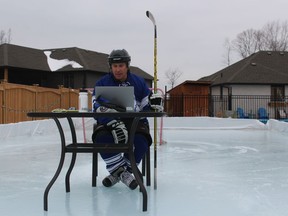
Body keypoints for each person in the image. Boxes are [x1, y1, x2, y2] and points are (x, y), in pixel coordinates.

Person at [91, 49, 163, 190]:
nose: (118, 70)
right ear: (110, 67)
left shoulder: (139, 82)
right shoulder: (102, 83)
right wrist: (109, 121)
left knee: (141, 141)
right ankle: (125, 173)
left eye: (121, 66)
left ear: (127, 65)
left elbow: (146, 107)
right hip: (109, 123)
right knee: (101, 138)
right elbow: (96, 107)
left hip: (135, 122)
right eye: (115, 66)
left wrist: (154, 105)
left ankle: (118, 173)